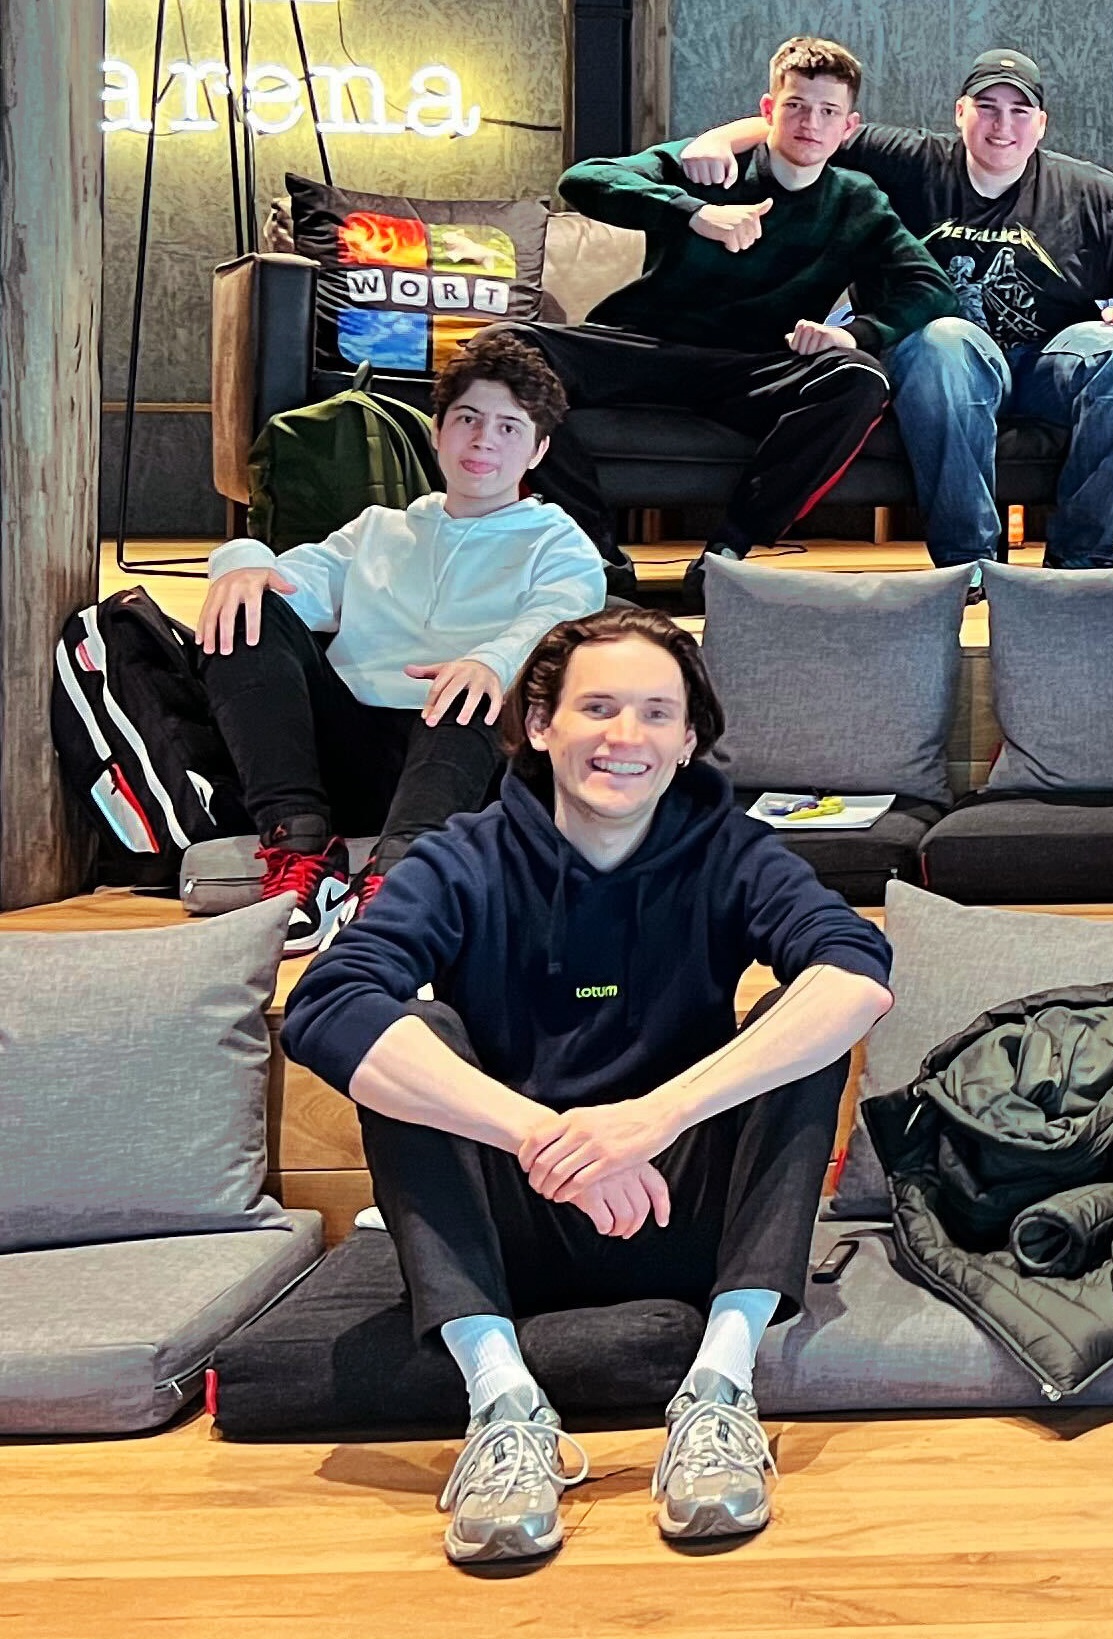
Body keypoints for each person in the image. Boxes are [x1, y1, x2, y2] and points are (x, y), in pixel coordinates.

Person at [278, 608, 896, 1565]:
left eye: (656, 712)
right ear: (539, 724)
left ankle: (720, 1391)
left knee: (803, 1017)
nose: (625, 736)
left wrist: (653, 1118)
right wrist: (541, 1135)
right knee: (414, 1040)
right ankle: (503, 1407)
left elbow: (857, 968)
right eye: (597, 707)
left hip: (679, 1210)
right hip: (517, 1219)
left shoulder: (729, 850)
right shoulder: (462, 857)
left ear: (687, 741)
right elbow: (328, 1000)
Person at [678, 48, 1113, 570]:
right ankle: (969, 562)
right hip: (943, 363)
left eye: (1019, 111)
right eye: (987, 107)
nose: (1003, 125)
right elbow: (808, 125)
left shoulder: (1083, 190)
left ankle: (1082, 559)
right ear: (960, 113)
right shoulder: (911, 160)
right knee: (944, 337)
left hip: (1046, 365)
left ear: (1041, 124)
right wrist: (717, 140)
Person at [194, 331, 610, 952]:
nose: (483, 440)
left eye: (509, 428)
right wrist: (238, 560)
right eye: (467, 419)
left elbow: (552, 623)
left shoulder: (559, 544)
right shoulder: (379, 528)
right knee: (246, 607)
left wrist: (488, 661)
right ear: (437, 431)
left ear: (538, 449)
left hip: (462, 757)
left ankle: (399, 879)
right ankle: (300, 850)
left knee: (476, 687)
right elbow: (286, 582)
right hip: (350, 752)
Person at [493, 36, 949, 585]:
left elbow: (930, 286)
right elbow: (583, 180)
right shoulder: (710, 166)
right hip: (647, 346)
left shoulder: (856, 199)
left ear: (848, 127)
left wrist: (857, 334)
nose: (810, 123)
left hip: (751, 368)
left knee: (860, 378)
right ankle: (596, 551)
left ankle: (727, 553)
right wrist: (692, 212)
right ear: (768, 110)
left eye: (828, 112)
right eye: (796, 105)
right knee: (503, 350)